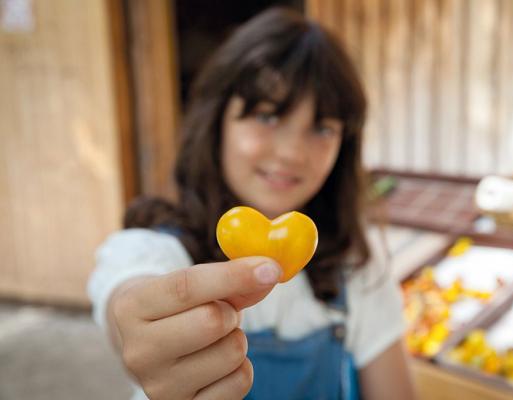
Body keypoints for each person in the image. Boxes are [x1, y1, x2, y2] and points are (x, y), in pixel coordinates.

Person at [88, 7, 416, 400]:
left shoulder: (356, 266)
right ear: (217, 121)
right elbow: (128, 297)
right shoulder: (160, 249)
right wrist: (142, 327)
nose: (293, 152)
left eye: (322, 127)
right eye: (267, 115)